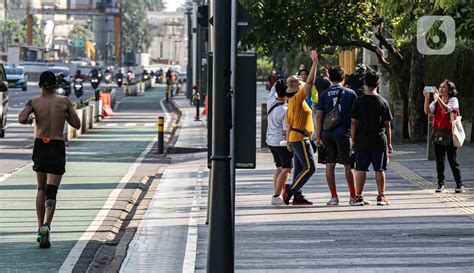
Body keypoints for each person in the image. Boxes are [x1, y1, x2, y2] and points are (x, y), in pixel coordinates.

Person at [18, 71, 81, 248]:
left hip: (41, 145)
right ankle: (47, 225)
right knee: (51, 191)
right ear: (54, 85)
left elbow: (21, 118)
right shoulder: (64, 101)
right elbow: (77, 124)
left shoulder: (34, 102)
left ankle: (39, 228)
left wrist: (31, 118)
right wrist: (65, 115)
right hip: (56, 146)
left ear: (40, 84)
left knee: (40, 189)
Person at [315, 66, 358, 206]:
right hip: (343, 133)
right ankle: (353, 197)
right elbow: (354, 119)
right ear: (343, 77)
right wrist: (355, 137)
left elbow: (319, 116)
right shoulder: (351, 93)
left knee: (330, 164)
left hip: (327, 133)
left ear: (330, 78)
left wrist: (318, 136)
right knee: (347, 165)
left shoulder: (324, 94)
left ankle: (334, 197)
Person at [351, 71, 393, 206]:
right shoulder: (383, 102)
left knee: (361, 168)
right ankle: (381, 196)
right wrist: (390, 144)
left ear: (365, 83)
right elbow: (388, 125)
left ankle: (358, 197)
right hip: (379, 139)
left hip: (362, 139)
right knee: (379, 169)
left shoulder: (359, 101)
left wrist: (353, 139)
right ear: (378, 84)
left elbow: (353, 122)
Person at [282, 50, 318, 206]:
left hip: (297, 137)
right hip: (300, 138)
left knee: (299, 168)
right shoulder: (297, 98)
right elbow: (309, 83)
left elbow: (288, 124)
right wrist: (315, 63)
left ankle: (297, 195)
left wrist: (288, 141)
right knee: (310, 168)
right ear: (297, 89)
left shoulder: (291, 102)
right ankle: (290, 189)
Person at [423, 80, 464, 193]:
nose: (440, 89)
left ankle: (459, 185)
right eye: (440, 87)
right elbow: (427, 111)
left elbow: (447, 109)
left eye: (444, 87)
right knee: (439, 161)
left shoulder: (453, 100)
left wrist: (438, 98)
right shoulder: (436, 102)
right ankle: (440, 185)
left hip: (450, 134)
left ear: (450, 90)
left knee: (452, 159)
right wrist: (427, 97)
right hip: (438, 133)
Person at [266, 80, 292, 205]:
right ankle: (276, 195)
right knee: (287, 168)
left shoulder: (271, 101)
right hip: (280, 142)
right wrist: (289, 144)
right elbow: (285, 131)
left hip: (270, 141)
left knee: (279, 167)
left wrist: (282, 82)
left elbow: (275, 85)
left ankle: (277, 192)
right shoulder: (285, 110)